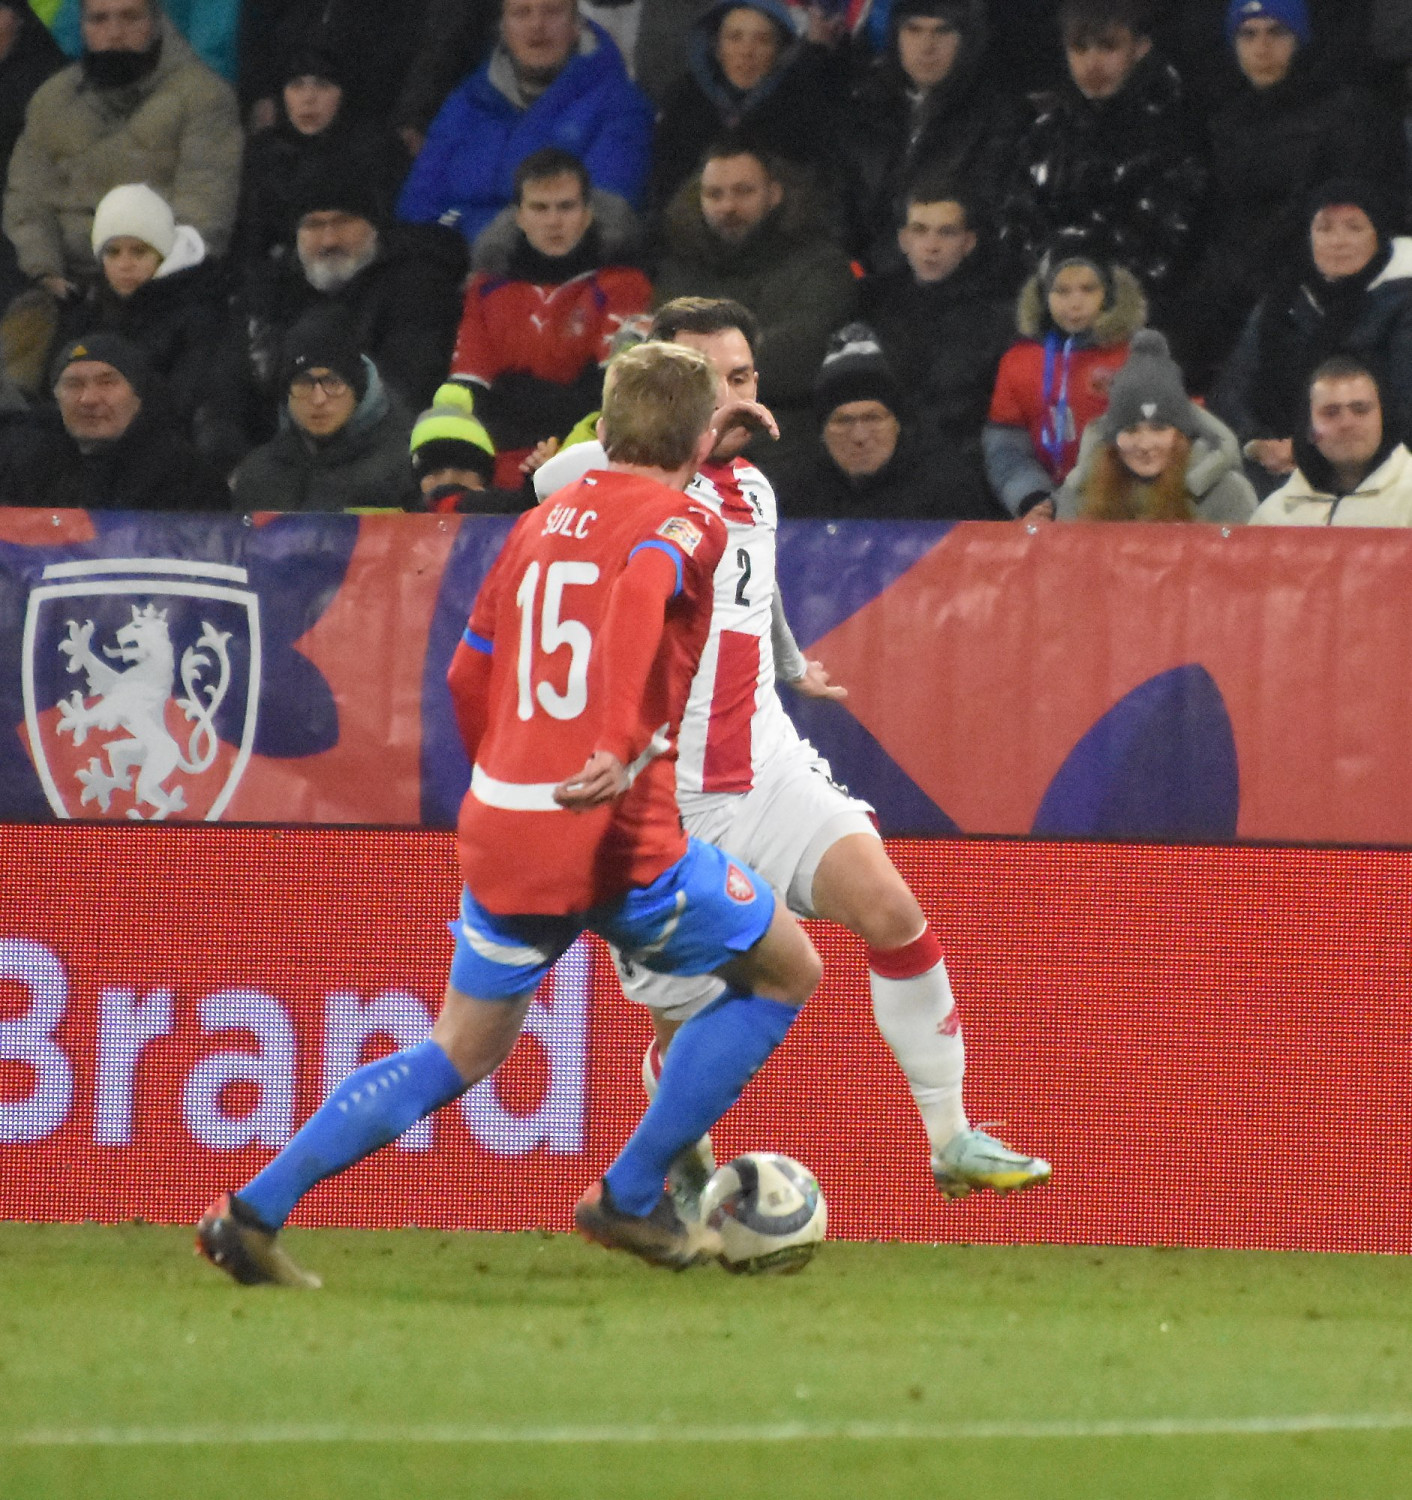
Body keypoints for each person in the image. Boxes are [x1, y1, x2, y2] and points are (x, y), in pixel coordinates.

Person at [195, 340, 823, 1285]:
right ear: (701, 439)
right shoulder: (691, 519)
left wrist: (510, 773)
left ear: (606, 427)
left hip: (504, 818)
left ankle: (250, 1214)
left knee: (459, 1047)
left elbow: (466, 672)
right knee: (785, 969)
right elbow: (643, 589)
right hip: (614, 830)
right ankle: (631, 1193)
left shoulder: (539, 524)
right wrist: (614, 742)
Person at [535, 296, 1052, 1207]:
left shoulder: (756, 490)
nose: (733, 399)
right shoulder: (618, 481)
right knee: (688, 1025)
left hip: (765, 769)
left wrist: (786, 662)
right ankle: (674, 1167)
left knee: (893, 913)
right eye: (705, 382)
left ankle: (952, 1137)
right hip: (662, 803)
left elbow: (754, 583)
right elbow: (552, 481)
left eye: (742, 378)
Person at [1175, 0, 1405, 389]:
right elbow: (1215, 217)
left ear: (1302, 39)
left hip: (1312, 285)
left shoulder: (1348, 114)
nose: (1262, 48)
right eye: (1248, 35)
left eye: (1277, 33)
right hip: (1230, 284)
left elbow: (1363, 212)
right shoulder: (1225, 120)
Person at [216, 167, 466, 464]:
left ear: (373, 227)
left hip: (379, 457)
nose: (328, 241)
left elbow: (410, 389)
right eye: (314, 225)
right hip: (272, 461)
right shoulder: (267, 291)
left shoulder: (417, 285)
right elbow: (227, 391)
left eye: (343, 222)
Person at [3, 0, 243, 294]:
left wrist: (143, 279)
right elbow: (27, 203)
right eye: (99, 20)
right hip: (63, 287)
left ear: (156, 22)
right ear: (82, 27)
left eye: (130, 17)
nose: (114, 33)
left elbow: (203, 214)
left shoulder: (204, 97)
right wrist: (43, 273)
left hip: (165, 289)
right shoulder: (51, 99)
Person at [448, 148, 652, 488]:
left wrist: (514, 391)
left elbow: (612, 395)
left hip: (587, 461)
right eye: (540, 208)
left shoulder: (625, 285)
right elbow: (467, 391)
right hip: (495, 463)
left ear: (587, 213)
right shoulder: (484, 290)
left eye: (566, 207)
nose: (553, 221)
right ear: (519, 216)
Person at [653, 143, 857, 462]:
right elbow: (658, 359)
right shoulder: (679, 269)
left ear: (774, 194)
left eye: (743, 191)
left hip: (790, 439)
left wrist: (696, 366)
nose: (728, 206)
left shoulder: (821, 266)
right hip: (685, 439)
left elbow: (802, 356)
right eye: (714, 194)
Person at [995, 0, 1206, 305]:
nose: (1092, 64)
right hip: (1048, 310)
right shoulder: (1045, 134)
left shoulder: (1174, 133)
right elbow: (1017, 226)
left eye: (1108, 47)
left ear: (1141, 47)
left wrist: (1091, 292)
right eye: (1079, 48)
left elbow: (1167, 246)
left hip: (1139, 315)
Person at [395, 0, 655, 245]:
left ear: (577, 25)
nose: (537, 25)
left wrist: (463, 224)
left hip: (554, 270)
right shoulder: (467, 101)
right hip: (445, 262)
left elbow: (595, 217)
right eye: (521, 13)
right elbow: (416, 209)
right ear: (502, 28)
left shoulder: (620, 105)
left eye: (552, 11)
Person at [1212, 180, 1412, 493]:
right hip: (1269, 468)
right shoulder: (1280, 303)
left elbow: (1404, 407)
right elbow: (1232, 393)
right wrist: (1256, 445)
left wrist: (1310, 450)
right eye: (1324, 228)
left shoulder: (1401, 304)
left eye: (1354, 228)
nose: (1339, 241)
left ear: (1378, 236)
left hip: (1374, 475)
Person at [841, 0, 1021, 273]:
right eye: (913, 30)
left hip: (955, 278)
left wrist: (873, 267)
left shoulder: (998, 118)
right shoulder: (864, 105)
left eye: (942, 31)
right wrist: (849, 268)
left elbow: (979, 216)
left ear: (967, 40)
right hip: (860, 273)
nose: (927, 46)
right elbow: (838, 204)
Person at [39, 183, 227, 442]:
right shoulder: (87, 312)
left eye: (139, 251)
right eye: (113, 252)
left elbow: (182, 404)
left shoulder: (198, 316)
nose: (125, 264)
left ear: (162, 254)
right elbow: (50, 393)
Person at [984, 237, 1147, 517]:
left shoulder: (1137, 356)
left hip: (1125, 507)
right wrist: (1032, 498)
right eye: (1061, 291)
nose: (1074, 303)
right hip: (1049, 506)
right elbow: (1006, 447)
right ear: (1043, 297)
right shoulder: (1019, 361)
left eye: (1088, 289)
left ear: (1109, 294)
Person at [773, 323, 1002, 519]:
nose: (859, 436)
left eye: (873, 418)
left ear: (898, 423)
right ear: (822, 432)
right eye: (843, 421)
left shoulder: (948, 489)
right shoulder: (792, 494)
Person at [857, 176, 1014, 457]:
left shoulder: (997, 316)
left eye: (947, 232)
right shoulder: (869, 303)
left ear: (968, 242)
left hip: (958, 461)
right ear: (903, 240)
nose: (932, 245)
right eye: (920, 230)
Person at [648, 0, 844, 213]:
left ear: (780, 51)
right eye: (734, 37)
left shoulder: (802, 107)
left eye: (763, 40)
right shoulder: (683, 104)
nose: (747, 51)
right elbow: (666, 194)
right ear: (717, 48)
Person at [0, 331, 229, 509]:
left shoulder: (185, 475)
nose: (88, 399)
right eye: (73, 384)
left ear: (138, 396)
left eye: (107, 383)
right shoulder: (25, 466)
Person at [234, 41, 411, 271]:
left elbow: (390, 232)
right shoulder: (265, 152)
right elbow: (249, 240)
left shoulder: (377, 150)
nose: (308, 98)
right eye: (296, 85)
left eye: (323, 85)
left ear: (344, 92)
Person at [1052, 330, 1257, 521]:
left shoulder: (1228, 493)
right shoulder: (1081, 494)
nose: (1145, 445)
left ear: (1182, 433)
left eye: (1159, 429)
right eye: (1130, 430)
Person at [230, 308, 420, 513]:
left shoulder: (405, 467)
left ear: (358, 389)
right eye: (303, 383)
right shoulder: (259, 475)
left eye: (332, 382)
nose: (318, 399)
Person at [1250, 354, 1412, 524]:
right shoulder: (1273, 515)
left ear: (1383, 418)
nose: (1347, 423)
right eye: (1331, 413)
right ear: (1309, 427)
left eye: (1361, 410)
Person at [408, 380, 531, 513]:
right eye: (435, 471)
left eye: (462, 468)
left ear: (483, 479)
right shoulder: (401, 516)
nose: (449, 478)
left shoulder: (487, 505)